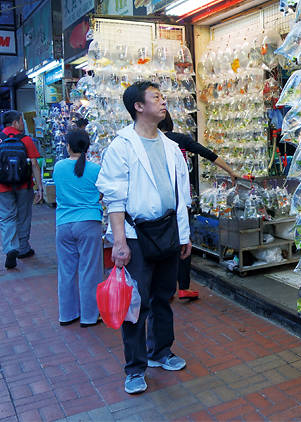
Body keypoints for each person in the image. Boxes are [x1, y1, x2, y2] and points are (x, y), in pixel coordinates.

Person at [96, 81, 192, 395]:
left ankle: (161, 351)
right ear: (139, 106)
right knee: (136, 304)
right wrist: (119, 242)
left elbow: (181, 196)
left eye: (163, 96)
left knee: (164, 296)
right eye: (156, 97)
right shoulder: (122, 145)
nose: (163, 102)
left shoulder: (169, 145)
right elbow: (114, 198)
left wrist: (184, 234)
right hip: (136, 235)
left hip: (167, 230)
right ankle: (135, 368)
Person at [157, 110, 241, 300]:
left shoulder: (151, 143)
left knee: (164, 243)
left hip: (160, 202)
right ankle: (183, 287)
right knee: (184, 240)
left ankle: (166, 287)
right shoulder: (180, 140)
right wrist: (230, 171)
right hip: (181, 200)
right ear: (170, 123)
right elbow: (208, 154)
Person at [53, 129, 102, 327]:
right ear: (87, 147)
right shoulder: (95, 169)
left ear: (68, 146)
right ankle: (90, 316)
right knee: (90, 270)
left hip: (63, 223)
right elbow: (101, 194)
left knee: (66, 271)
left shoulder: (59, 167)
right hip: (89, 222)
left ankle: (67, 314)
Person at [0, 110, 42, 269]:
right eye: (21, 121)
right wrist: (40, 188)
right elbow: (34, 165)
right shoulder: (25, 140)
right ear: (15, 123)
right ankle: (23, 248)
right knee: (23, 216)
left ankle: (10, 248)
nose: (23, 124)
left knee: (6, 217)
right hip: (24, 185)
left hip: (3, 186)